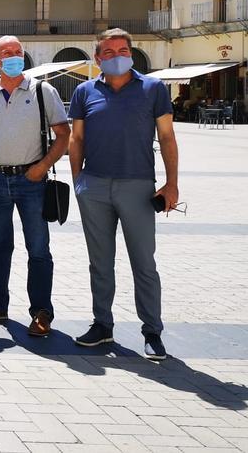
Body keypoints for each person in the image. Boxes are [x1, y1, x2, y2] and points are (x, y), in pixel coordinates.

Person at [69, 29, 179, 361]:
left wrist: (171, 184)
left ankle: (152, 332)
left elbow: (168, 137)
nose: (117, 55)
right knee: (100, 263)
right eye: (109, 51)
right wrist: (79, 182)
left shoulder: (153, 88)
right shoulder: (84, 91)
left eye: (122, 49)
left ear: (131, 52)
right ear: (98, 57)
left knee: (144, 263)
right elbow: (76, 139)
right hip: (95, 187)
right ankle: (102, 325)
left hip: (138, 186)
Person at [0, 36, 70, 337]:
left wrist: (42, 167)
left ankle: (41, 311)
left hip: (32, 181)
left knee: (38, 248)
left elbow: (63, 134)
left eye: (18, 52)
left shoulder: (42, 90)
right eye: (7, 54)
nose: (14, 57)